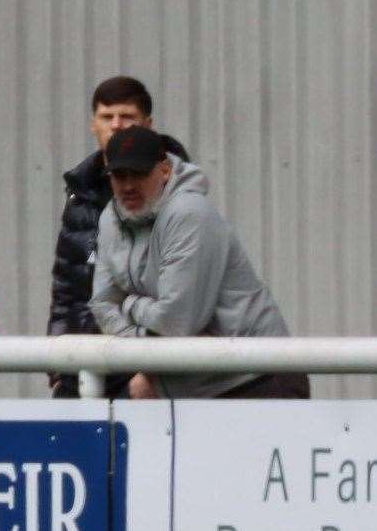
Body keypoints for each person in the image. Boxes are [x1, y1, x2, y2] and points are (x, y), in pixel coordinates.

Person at [89, 125, 309, 399]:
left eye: (139, 173)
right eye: (119, 175)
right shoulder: (110, 218)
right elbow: (101, 303)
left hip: (257, 378)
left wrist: (130, 304)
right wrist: (146, 354)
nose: (128, 185)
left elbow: (175, 322)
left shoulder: (188, 213)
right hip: (193, 383)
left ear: (165, 170)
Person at [47, 76, 189, 398]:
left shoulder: (176, 196)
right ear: (93, 125)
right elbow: (67, 287)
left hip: (143, 369)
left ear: (147, 126)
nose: (116, 126)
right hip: (83, 362)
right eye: (106, 117)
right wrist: (57, 366)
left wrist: (150, 371)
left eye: (126, 117)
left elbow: (179, 298)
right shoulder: (80, 196)